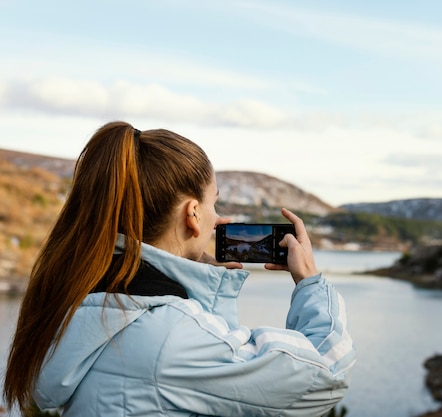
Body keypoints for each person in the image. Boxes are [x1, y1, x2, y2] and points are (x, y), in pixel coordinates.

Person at [3, 121, 355, 417]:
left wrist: (199, 279)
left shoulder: (92, 294)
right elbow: (324, 376)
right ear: (192, 214)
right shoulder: (166, 335)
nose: (218, 217)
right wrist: (309, 280)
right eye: (213, 202)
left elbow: (205, 359)